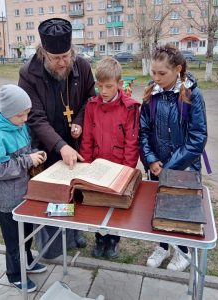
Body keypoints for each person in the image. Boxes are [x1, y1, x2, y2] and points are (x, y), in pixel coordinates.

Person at [18, 18, 96, 259]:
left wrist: (80, 122)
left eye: (66, 56)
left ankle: (73, 233)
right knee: (54, 195)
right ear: (44, 53)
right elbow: (35, 117)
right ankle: (54, 240)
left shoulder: (81, 67)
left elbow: (88, 100)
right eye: (56, 58)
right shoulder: (29, 73)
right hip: (47, 146)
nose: (63, 63)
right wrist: (60, 146)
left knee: (74, 192)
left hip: (75, 144)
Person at [139, 44, 208, 271]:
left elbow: (197, 138)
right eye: (153, 73)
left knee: (180, 209)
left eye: (162, 73)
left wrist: (169, 166)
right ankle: (162, 246)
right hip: (156, 166)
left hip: (183, 169)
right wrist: (150, 159)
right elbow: (144, 131)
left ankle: (183, 252)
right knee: (158, 206)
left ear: (177, 69)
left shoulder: (192, 95)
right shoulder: (152, 95)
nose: (156, 78)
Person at [0, 84, 48, 293]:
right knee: (13, 242)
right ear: (9, 113)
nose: (25, 119)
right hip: (7, 200)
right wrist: (27, 161)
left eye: (27, 114)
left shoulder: (19, 126)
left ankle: (28, 262)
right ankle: (14, 275)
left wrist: (36, 154)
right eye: (21, 115)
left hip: (23, 195)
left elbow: (25, 152)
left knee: (26, 234)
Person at [80, 57, 141, 258]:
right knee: (98, 204)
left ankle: (113, 241)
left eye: (109, 86)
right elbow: (87, 137)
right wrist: (87, 165)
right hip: (97, 165)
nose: (103, 91)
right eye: (100, 86)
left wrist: (127, 171)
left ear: (119, 84)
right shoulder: (91, 106)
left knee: (115, 206)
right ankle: (100, 239)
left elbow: (132, 143)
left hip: (119, 167)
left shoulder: (130, 108)